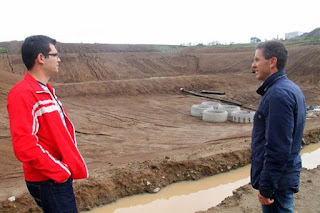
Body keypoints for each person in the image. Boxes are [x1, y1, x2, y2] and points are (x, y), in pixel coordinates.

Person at [7, 35, 88, 213]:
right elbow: (24, 146)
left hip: (54, 178)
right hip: (49, 179)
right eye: (55, 54)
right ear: (41, 58)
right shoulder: (23, 93)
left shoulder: (45, 90)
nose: (59, 59)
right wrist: (60, 171)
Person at [250, 41, 306, 212]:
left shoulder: (278, 95)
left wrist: (266, 188)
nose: (253, 65)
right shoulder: (290, 88)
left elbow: (277, 148)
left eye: (257, 59)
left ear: (272, 62)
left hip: (277, 184)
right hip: (284, 178)